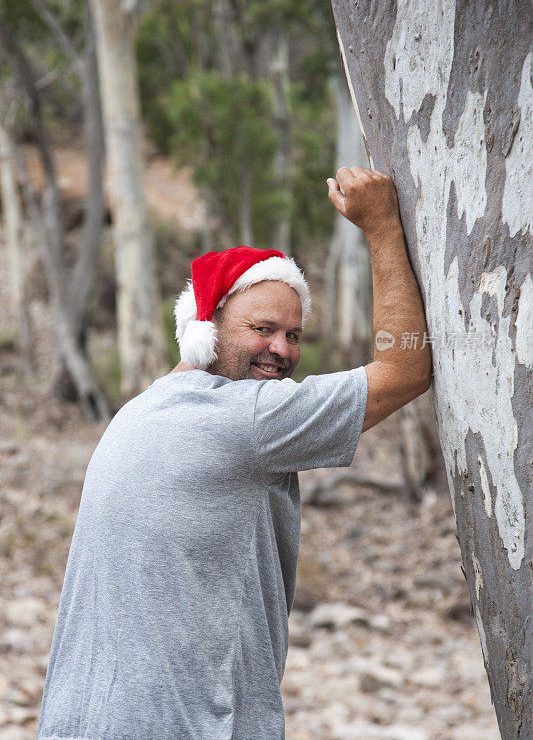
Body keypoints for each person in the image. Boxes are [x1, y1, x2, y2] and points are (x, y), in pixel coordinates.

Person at [37, 167, 431, 740]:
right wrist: (382, 227)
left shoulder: (140, 412)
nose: (282, 349)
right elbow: (406, 371)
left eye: (293, 335)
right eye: (262, 328)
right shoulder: (245, 418)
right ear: (207, 326)